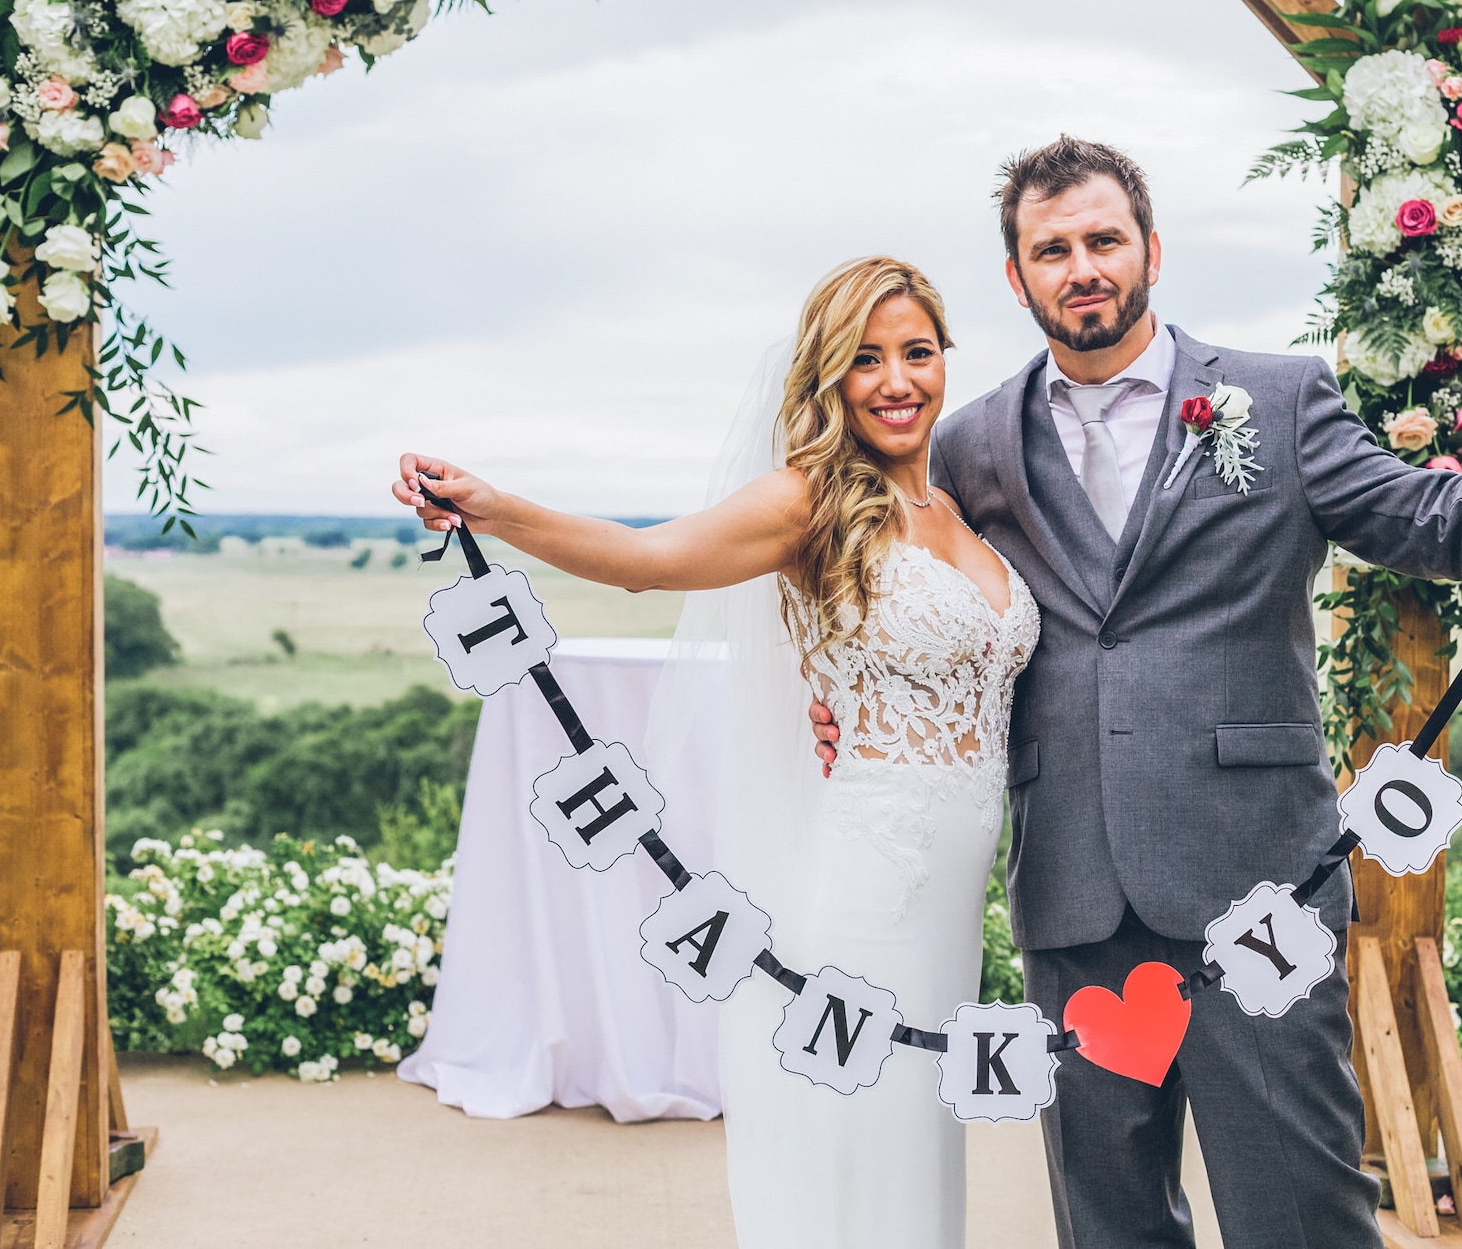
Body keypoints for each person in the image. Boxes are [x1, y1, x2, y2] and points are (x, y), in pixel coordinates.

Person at [809, 137, 1462, 1249]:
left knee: (1298, 1213)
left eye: (1102, 240)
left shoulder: (1275, 398)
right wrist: (833, 685)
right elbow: (895, 572)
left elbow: (1432, 526)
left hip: (1256, 880)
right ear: (1017, 279)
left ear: (1150, 250)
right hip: (1072, 891)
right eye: (1051, 249)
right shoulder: (970, 442)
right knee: (1108, 1223)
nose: (1082, 267)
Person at [391, 256, 1041, 1249]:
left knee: (919, 1132)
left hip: (952, 895)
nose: (897, 380)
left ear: (945, 358)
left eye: (916, 352)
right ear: (829, 377)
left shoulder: (953, 511)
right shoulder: (807, 500)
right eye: (865, 360)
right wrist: (495, 507)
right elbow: (649, 563)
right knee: (861, 1134)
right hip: (872, 882)